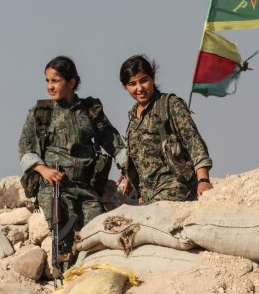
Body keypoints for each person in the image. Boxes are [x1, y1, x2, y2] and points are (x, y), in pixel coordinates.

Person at [18, 55, 126, 269]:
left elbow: (113, 143)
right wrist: (43, 169)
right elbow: (25, 150)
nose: (50, 86)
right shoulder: (40, 113)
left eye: (55, 81)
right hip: (55, 188)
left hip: (86, 188)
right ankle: (64, 278)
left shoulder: (90, 111)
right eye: (47, 80)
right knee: (63, 241)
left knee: (98, 235)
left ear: (72, 82)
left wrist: (128, 168)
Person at [117, 55, 213, 204]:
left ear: (153, 78)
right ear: (125, 87)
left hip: (175, 187)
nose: (139, 88)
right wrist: (129, 175)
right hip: (148, 195)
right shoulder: (133, 116)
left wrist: (203, 180)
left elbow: (194, 143)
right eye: (132, 84)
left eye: (144, 80)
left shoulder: (169, 105)